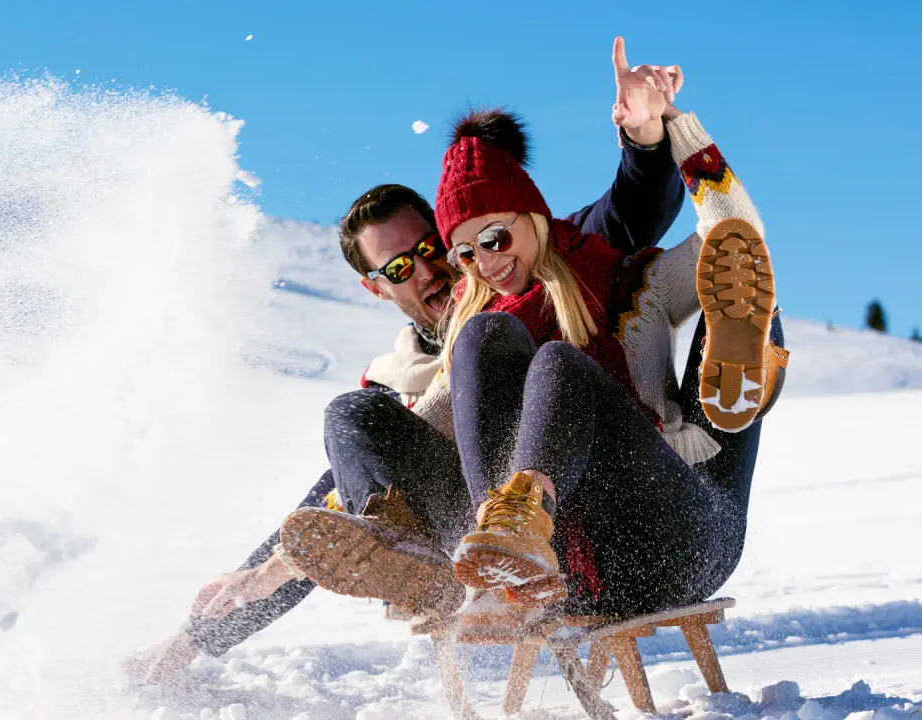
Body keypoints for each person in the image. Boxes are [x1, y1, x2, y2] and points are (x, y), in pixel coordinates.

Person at [129, 38, 690, 684]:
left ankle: (500, 551)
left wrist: (645, 138)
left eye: (432, 248)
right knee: (350, 419)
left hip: (568, 513)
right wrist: (196, 636)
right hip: (456, 529)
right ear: (376, 286)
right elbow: (333, 511)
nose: (427, 271)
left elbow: (630, 210)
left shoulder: (532, 271)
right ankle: (424, 567)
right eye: (398, 267)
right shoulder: (396, 382)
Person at [279, 45, 786, 630]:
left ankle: (740, 342)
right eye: (465, 252)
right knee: (357, 411)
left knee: (560, 364)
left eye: (495, 238)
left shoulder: (626, 281)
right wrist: (271, 571)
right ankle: (464, 558)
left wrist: (670, 127)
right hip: (563, 573)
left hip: (667, 536)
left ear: (534, 216)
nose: (483, 263)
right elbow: (426, 426)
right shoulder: (480, 329)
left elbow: (736, 238)